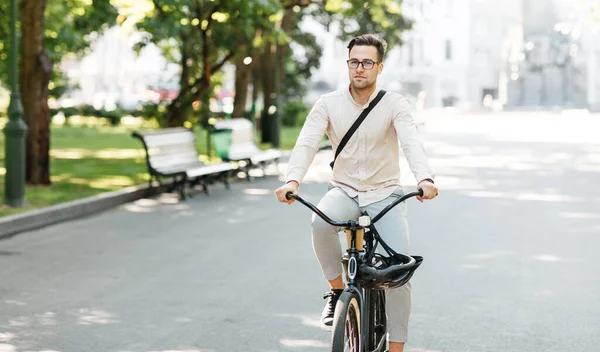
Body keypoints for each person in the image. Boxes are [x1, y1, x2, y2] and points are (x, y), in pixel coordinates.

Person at [274, 34, 438, 352]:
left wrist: (425, 178)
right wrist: (292, 181)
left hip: (385, 195)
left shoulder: (394, 104)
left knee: (399, 273)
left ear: (379, 67)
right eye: (354, 62)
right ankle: (337, 291)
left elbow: (411, 142)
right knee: (319, 223)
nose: (359, 68)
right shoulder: (328, 104)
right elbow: (306, 141)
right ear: (347, 64)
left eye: (366, 62)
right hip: (345, 191)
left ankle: (395, 349)